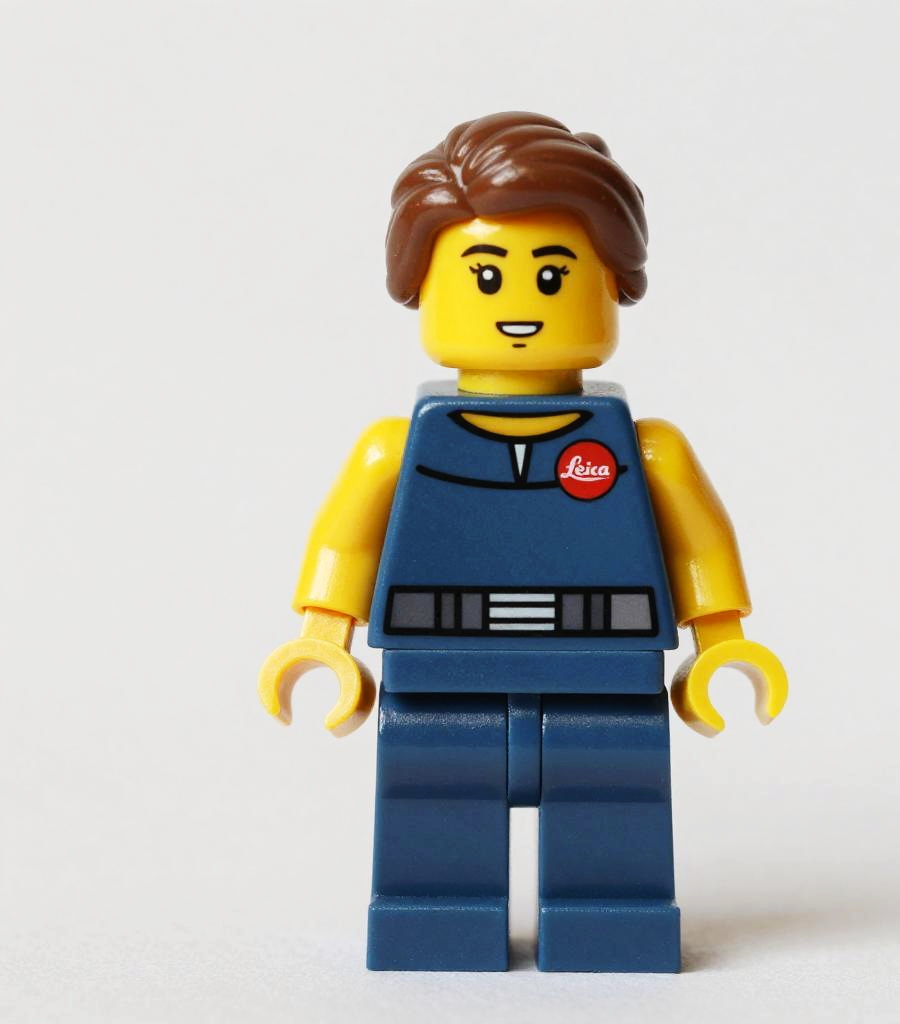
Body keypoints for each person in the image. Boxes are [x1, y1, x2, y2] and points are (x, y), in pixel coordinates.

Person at [259, 111, 787, 972]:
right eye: (483, 276)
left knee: (613, 800)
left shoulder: (645, 448)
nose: (516, 308)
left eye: (551, 276)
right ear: (422, 286)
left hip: (605, 676)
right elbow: (346, 546)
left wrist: (722, 641)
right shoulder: (396, 448)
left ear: (612, 284)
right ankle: (434, 917)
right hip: (439, 677)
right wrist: (324, 638)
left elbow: (699, 543)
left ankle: (612, 919)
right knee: (432, 802)